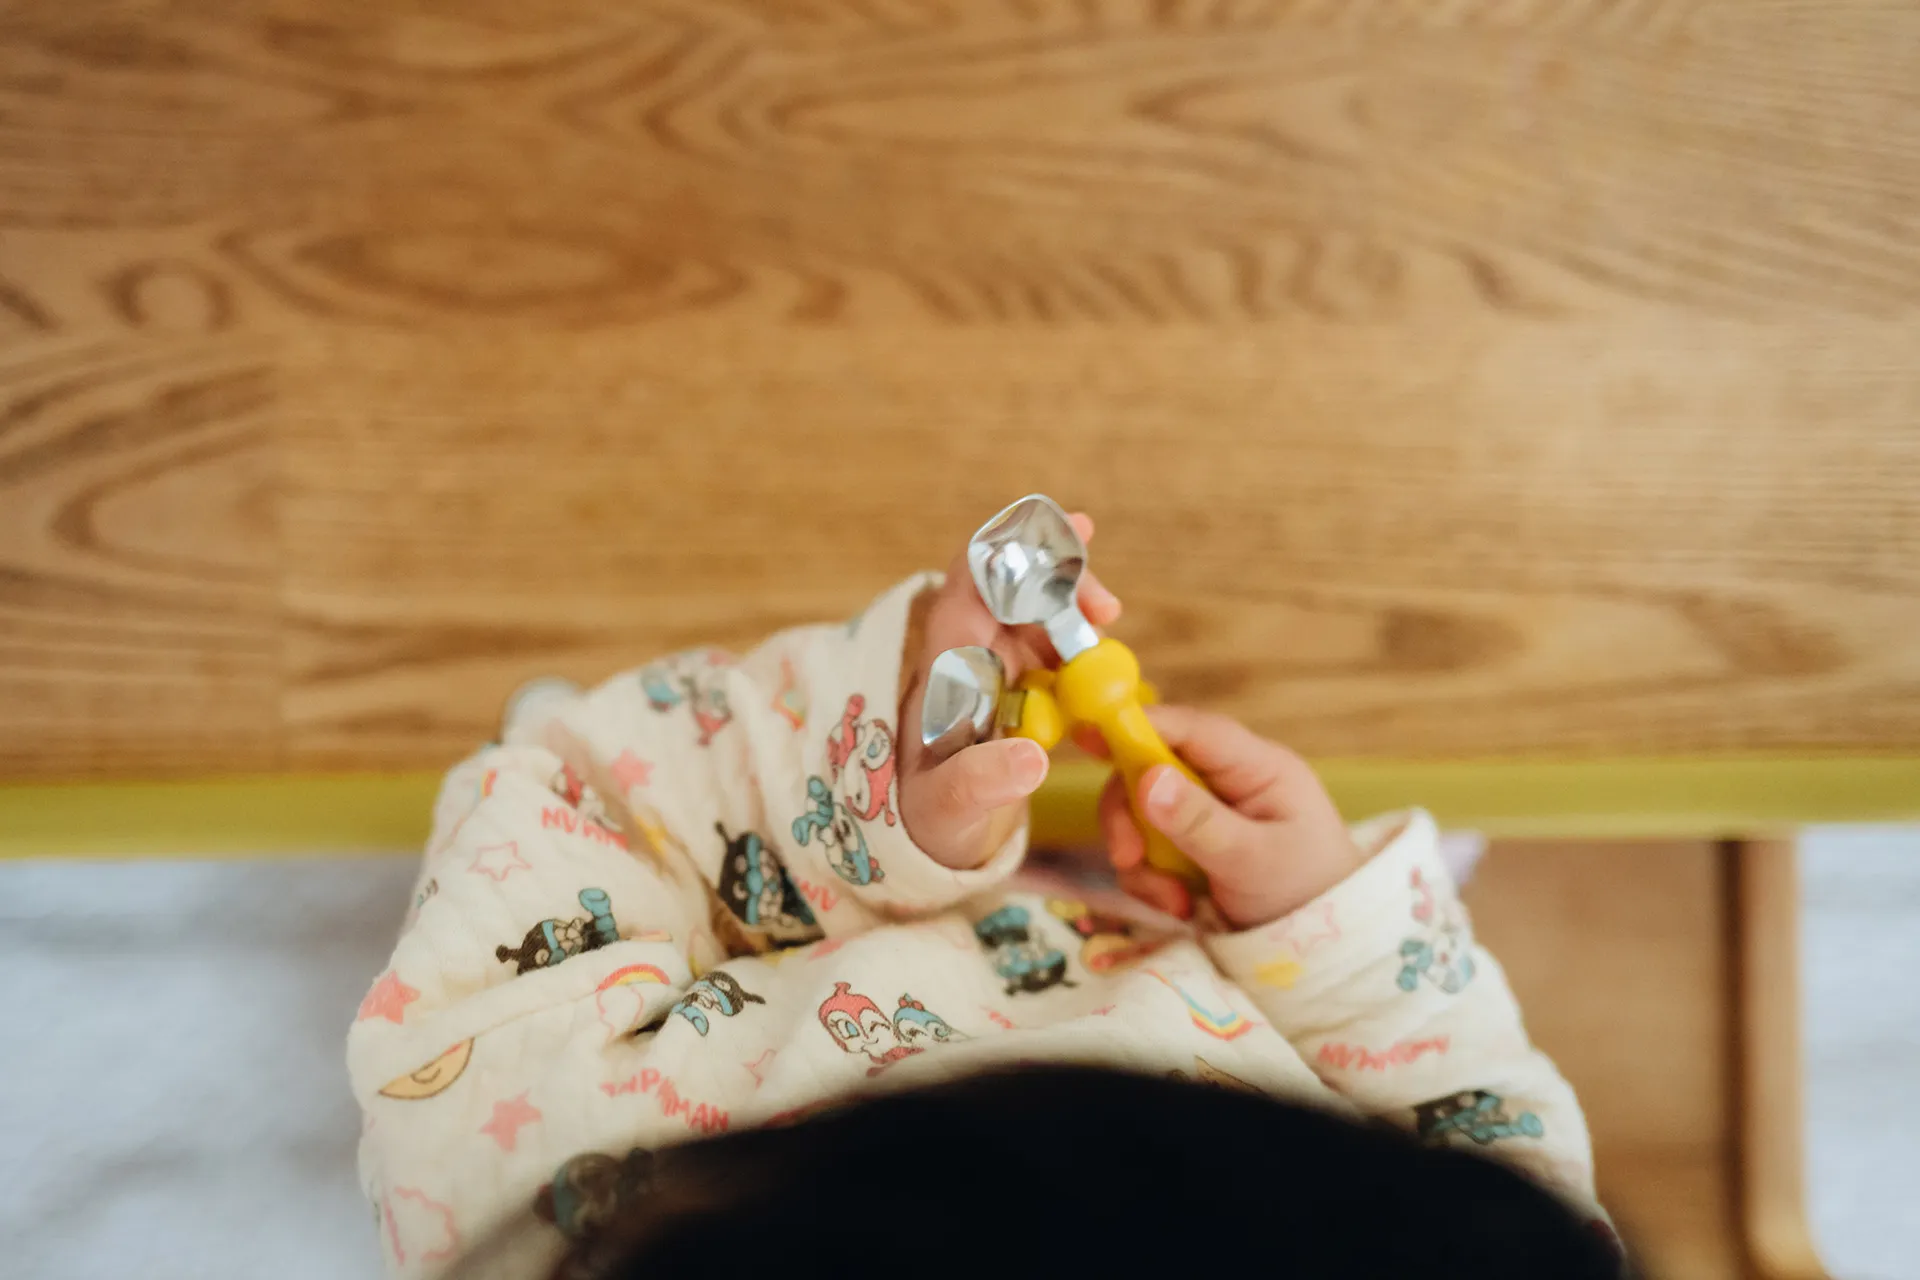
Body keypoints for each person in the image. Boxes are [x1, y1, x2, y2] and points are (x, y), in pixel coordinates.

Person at [349, 514, 1620, 1280]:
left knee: (576, 796)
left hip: (740, 925)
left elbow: (589, 821)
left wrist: (862, 807)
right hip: (1203, 959)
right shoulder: (1472, 1242)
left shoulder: (545, 1181)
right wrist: (1323, 923)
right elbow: (1485, 1129)